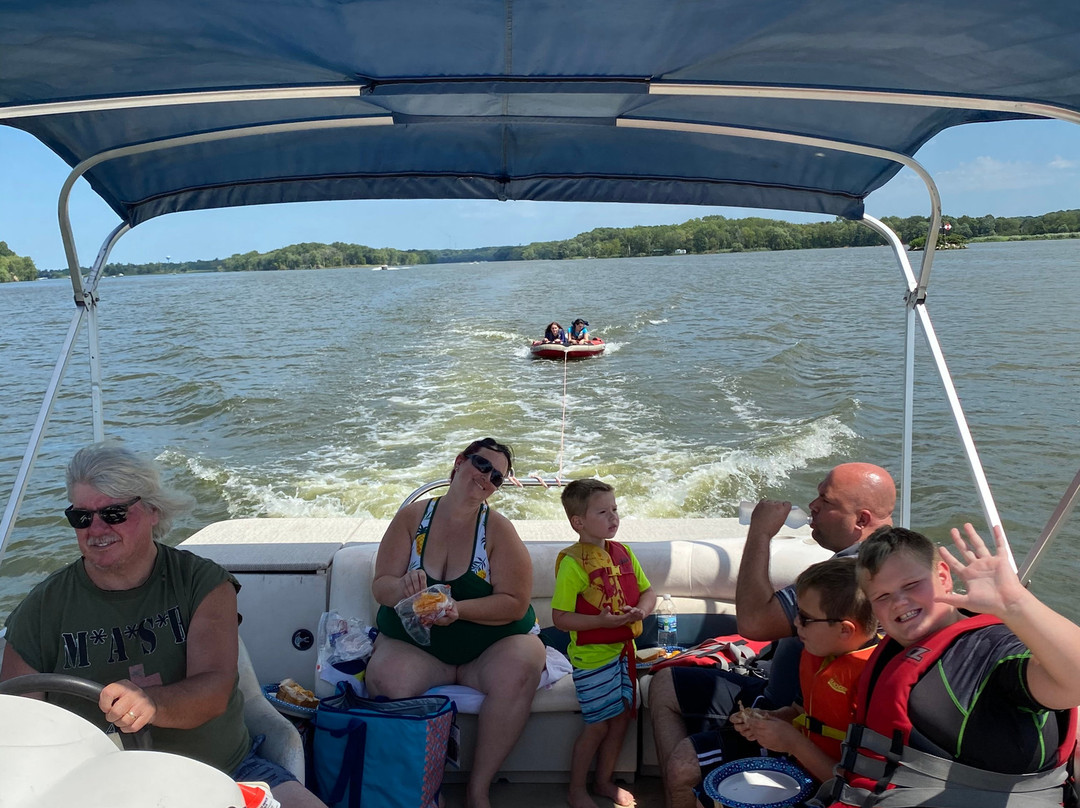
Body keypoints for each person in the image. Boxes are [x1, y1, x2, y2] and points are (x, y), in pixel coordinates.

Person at [0, 443, 324, 808]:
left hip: (227, 770)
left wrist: (149, 703)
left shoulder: (202, 583)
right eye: (82, 517)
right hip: (99, 792)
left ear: (153, 511)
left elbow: (214, 690)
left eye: (114, 513)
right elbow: (18, 724)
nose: (96, 528)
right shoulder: (41, 609)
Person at [650, 462, 895, 808]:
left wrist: (760, 533)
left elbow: (753, 624)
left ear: (861, 520)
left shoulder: (848, 578)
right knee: (665, 684)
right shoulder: (877, 559)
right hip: (788, 708)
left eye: (826, 501)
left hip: (797, 724)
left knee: (683, 765)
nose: (813, 506)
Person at [816, 524, 1080, 808]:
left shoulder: (992, 653)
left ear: (943, 576)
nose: (899, 602)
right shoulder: (894, 651)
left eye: (911, 585)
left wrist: (1015, 603)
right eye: (882, 596)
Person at [365, 437, 547, 808]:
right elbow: (381, 586)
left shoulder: (498, 530)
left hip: (487, 650)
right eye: (482, 466)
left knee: (524, 661)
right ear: (460, 462)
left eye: (497, 477)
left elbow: (515, 603)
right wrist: (402, 587)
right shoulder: (412, 519)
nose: (487, 478)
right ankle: (420, 785)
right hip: (420, 649)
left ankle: (478, 789)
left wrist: (458, 610)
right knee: (385, 678)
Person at [552, 479, 657, 808]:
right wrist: (601, 622)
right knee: (597, 726)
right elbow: (560, 618)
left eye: (615, 510)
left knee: (620, 721)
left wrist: (642, 610)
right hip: (592, 658)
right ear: (578, 522)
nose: (614, 518)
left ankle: (603, 781)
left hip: (624, 652)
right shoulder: (572, 564)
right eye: (603, 512)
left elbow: (647, 591)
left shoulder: (623, 552)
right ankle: (576, 789)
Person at [731, 557, 877, 784]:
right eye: (798, 613)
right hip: (804, 775)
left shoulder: (877, 681)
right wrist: (765, 721)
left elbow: (858, 786)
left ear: (845, 630)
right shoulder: (817, 654)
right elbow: (799, 712)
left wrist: (793, 743)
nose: (796, 622)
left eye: (806, 618)